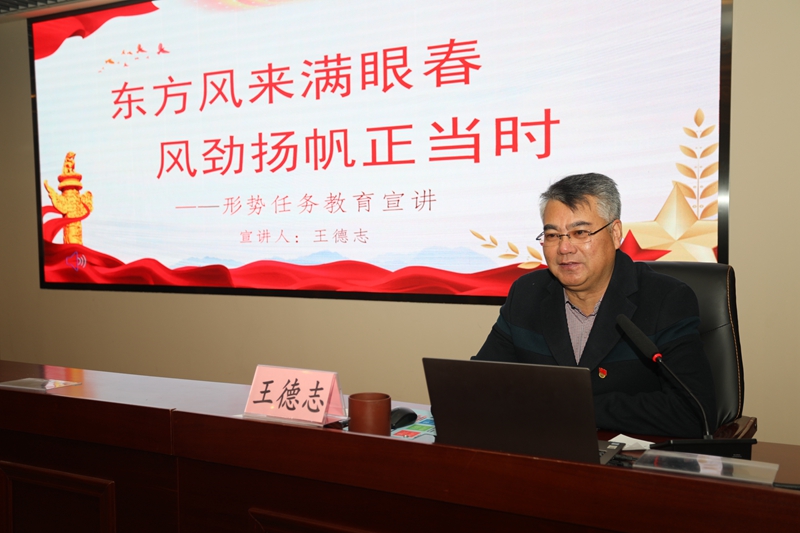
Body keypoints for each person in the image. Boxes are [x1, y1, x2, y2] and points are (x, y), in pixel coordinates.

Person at [473, 173, 717, 437]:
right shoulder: (526, 294)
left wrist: (576, 407)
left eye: (580, 233)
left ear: (615, 233)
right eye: (553, 235)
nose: (564, 248)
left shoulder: (665, 299)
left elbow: (693, 411)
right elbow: (479, 385)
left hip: (630, 456)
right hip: (542, 447)